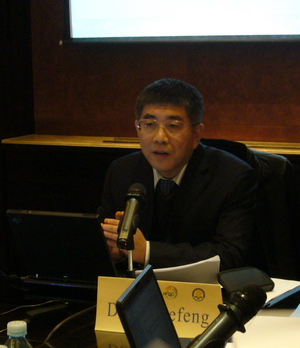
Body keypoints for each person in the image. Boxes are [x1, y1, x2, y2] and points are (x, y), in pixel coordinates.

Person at [98, 78, 258, 271]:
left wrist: (147, 251)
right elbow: (103, 244)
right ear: (137, 128)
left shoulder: (233, 176)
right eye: (149, 124)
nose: (160, 138)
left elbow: (231, 254)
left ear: (196, 134)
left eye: (173, 126)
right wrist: (113, 251)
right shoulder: (121, 171)